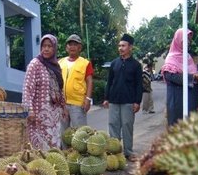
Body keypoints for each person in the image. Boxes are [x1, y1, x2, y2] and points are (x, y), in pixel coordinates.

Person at [22, 34, 66, 150]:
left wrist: (63, 107)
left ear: (54, 48)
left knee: (53, 147)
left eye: (49, 46)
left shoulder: (56, 66)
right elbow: (27, 88)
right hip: (38, 116)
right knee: (39, 149)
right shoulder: (35, 64)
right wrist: (29, 110)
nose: (46, 49)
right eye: (44, 46)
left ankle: (53, 168)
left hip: (54, 115)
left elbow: (60, 88)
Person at [103, 33, 142, 161]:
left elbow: (138, 84)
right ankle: (115, 152)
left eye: (123, 46)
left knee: (127, 126)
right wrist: (106, 98)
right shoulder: (114, 64)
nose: (120, 48)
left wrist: (137, 101)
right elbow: (109, 82)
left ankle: (128, 152)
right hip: (114, 100)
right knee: (113, 125)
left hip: (128, 101)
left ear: (130, 47)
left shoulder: (136, 65)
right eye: (119, 46)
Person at [161, 29, 198, 126]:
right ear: (178, 41)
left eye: (189, 41)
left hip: (191, 100)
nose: (187, 43)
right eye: (184, 41)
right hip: (178, 102)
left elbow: (194, 74)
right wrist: (193, 77)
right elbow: (171, 76)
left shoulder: (188, 57)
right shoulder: (171, 58)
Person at [58, 34, 94, 129]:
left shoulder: (85, 63)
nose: (72, 47)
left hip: (78, 104)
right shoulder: (60, 62)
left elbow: (89, 81)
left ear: (80, 48)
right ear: (66, 47)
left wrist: (88, 99)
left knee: (80, 133)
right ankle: (63, 145)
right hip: (62, 104)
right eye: (70, 44)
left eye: (75, 44)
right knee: (63, 134)